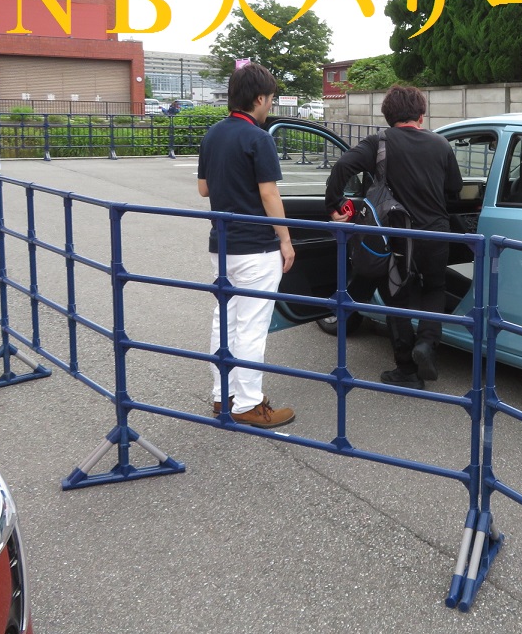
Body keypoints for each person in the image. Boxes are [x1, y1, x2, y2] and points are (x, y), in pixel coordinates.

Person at [324, 86, 463, 388]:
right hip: (436, 232)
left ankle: (407, 370)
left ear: (388, 116)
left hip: (397, 235)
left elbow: (343, 166)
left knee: (395, 295)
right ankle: (426, 343)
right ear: (421, 115)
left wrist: (334, 205)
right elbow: (455, 188)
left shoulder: (379, 143)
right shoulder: (441, 144)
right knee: (434, 288)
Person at [196, 61, 296, 428]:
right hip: (256, 247)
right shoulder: (258, 137)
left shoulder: (212, 135)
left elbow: (204, 188)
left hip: (222, 245)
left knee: (224, 321)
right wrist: (286, 239)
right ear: (258, 99)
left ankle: (223, 396)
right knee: (252, 327)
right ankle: (249, 404)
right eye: (270, 98)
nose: (270, 105)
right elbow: (269, 193)